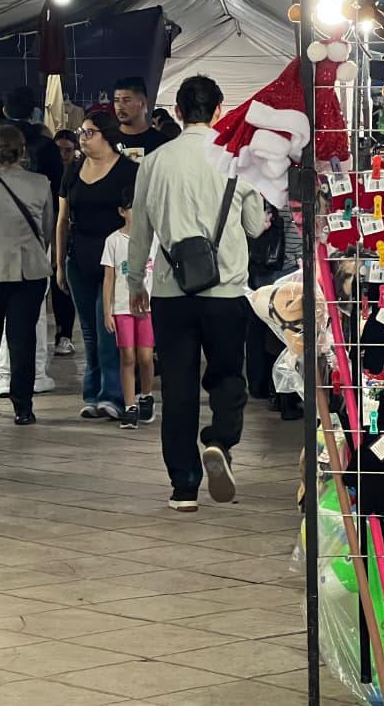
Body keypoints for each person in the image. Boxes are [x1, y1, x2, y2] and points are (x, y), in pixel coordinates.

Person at [129, 75, 265, 513]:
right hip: (226, 290)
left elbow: (140, 231)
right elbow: (254, 226)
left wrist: (135, 283)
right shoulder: (237, 159)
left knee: (178, 387)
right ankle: (220, 441)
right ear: (219, 111)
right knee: (228, 376)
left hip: (171, 291)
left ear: (179, 112)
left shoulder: (154, 162)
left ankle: (183, 486)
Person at [0, 125, 54, 425]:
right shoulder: (41, 183)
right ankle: (23, 407)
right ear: (23, 151)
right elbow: (47, 228)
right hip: (31, 271)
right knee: (23, 339)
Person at [56, 110, 136, 419]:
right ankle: (92, 393)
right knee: (88, 331)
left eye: (90, 133)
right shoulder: (73, 170)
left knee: (108, 329)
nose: (83, 138)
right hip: (80, 257)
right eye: (81, 132)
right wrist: (59, 263)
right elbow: (62, 219)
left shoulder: (128, 171)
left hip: (115, 263)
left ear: (108, 136)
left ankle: (112, 395)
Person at [101, 188, 156, 430]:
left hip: (148, 308)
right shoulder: (113, 241)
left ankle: (146, 395)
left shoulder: (154, 239)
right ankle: (130, 405)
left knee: (145, 356)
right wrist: (107, 312)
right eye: (133, 207)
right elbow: (109, 279)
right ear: (122, 212)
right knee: (128, 357)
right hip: (122, 307)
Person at [246, 195, 303, 420]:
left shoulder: (263, 189)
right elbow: (296, 232)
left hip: (261, 266)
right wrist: (301, 258)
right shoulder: (294, 192)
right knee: (286, 332)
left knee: (263, 327)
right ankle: (285, 396)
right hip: (286, 268)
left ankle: (266, 388)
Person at [50, 129, 79, 355]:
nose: (63, 155)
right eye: (58, 150)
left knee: (65, 289)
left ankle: (65, 334)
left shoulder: (78, 173)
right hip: (51, 236)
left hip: (71, 238)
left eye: (67, 150)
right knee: (59, 286)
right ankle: (63, 334)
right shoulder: (48, 174)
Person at [114, 77, 174, 161]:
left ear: (142, 103)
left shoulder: (161, 143)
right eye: (116, 100)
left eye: (126, 100)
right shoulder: (106, 141)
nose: (119, 106)